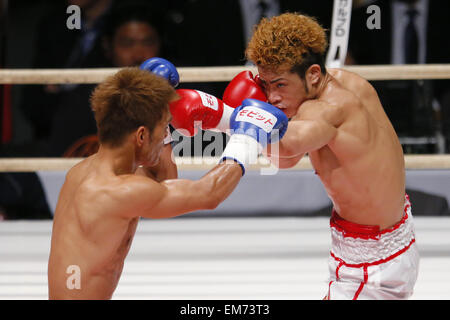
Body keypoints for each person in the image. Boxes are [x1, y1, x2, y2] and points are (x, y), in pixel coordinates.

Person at [47, 64, 288, 299]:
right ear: (141, 135)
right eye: (164, 128)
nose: (167, 135)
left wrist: (155, 103)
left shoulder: (87, 172)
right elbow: (208, 195)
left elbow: (163, 179)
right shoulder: (119, 191)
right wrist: (247, 138)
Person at [242, 13, 419, 299]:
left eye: (280, 84)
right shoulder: (348, 81)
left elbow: (284, 150)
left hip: (370, 265)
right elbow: (285, 159)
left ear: (312, 74)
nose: (271, 97)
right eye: (264, 85)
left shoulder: (325, 110)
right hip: (391, 240)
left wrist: (230, 115)